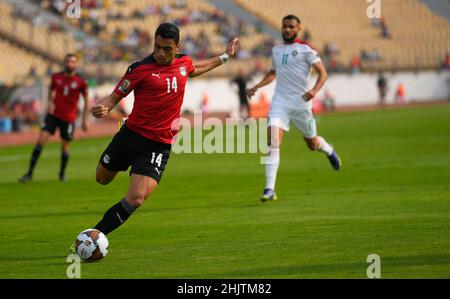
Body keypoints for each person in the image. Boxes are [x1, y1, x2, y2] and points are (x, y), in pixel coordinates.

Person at [76, 23, 238, 239]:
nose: (160, 53)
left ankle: (94, 237)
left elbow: (196, 68)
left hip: (157, 144)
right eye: (157, 47)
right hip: (129, 135)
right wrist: (104, 106)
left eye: (167, 49)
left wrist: (225, 57)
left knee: (136, 198)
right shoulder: (139, 69)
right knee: (102, 179)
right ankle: (130, 170)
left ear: (178, 46)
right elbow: (115, 96)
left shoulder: (184, 63)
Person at [247, 15, 341, 202]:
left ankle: (329, 150)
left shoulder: (306, 49)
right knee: (273, 142)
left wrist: (314, 91)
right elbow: (273, 73)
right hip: (280, 103)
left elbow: (323, 73)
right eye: (285, 26)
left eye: (291, 26)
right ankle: (269, 189)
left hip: (301, 104)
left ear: (298, 29)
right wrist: (257, 86)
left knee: (312, 144)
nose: (287, 29)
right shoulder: (276, 50)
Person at [18, 54, 89, 182]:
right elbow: (50, 91)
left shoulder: (81, 81)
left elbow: (86, 100)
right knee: (40, 141)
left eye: (72, 62)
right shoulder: (56, 77)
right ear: (64, 62)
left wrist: (84, 120)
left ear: (76, 64)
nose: (70, 64)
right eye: (68, 61)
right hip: (54, 115)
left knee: (65, 147)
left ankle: (62, 174)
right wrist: (48, 107)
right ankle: (29, 174)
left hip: (69, 119)